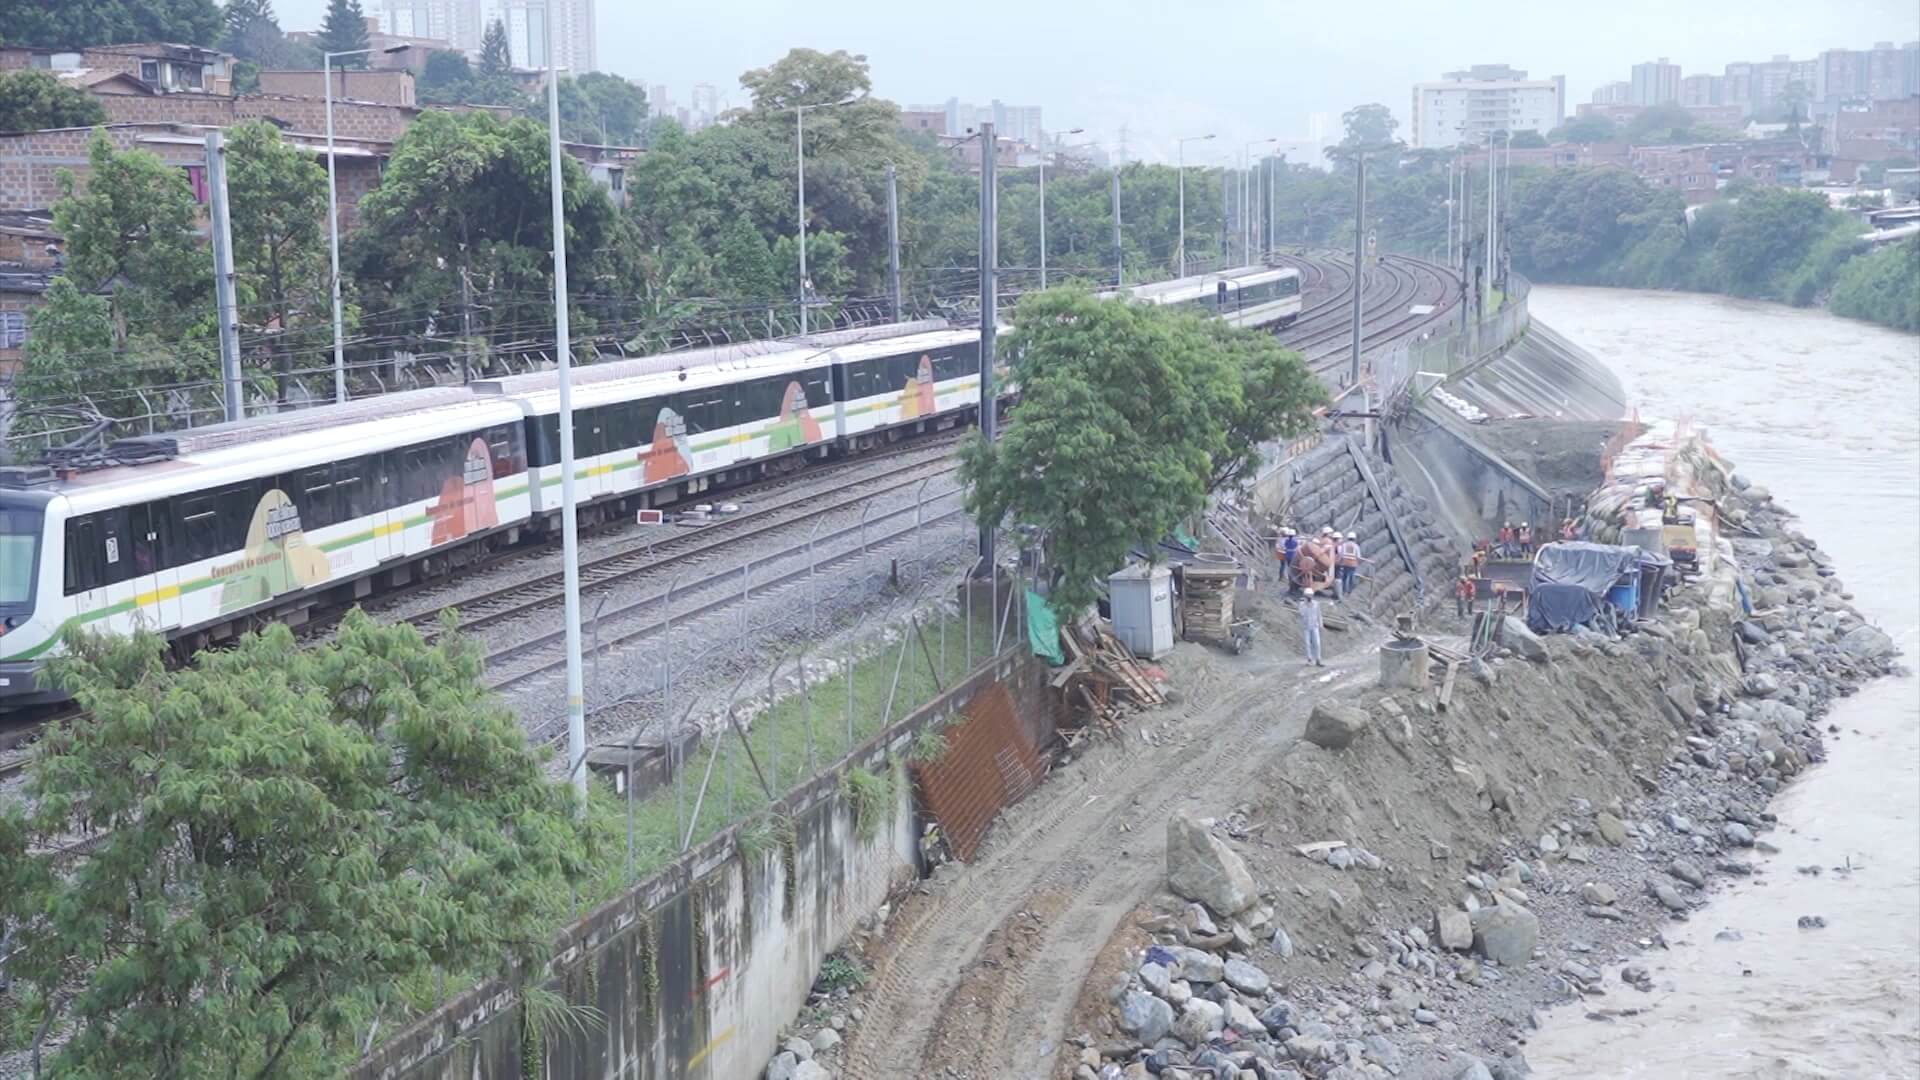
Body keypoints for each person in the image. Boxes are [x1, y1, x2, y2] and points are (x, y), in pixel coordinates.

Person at [1299, 588, 1324, 667]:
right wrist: (1306, 604)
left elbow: (1319, 614)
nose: (1309, 597)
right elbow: (1301, 614)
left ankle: (1318, 659)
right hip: (1306, 626)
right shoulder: (1302, 604)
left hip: (1314, 626)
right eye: (1307, 595)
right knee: (1307, 643)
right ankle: (1309, 659)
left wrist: (1321, 624)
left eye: (1310, 595)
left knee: (1317, 643)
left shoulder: (1316, 604)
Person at [1337, 531, 1363, 597]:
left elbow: (1341, 555)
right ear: (1354, 538)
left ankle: (1343, 590)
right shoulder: (1356, 546)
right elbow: (1358, 557)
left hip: (1345, 563)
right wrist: (1358, 562)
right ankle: (1349, 592)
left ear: (1348, 538)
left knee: (1344, 577)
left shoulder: (1344, 545)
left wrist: (1340, 562)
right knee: (1351, 578)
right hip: (1353, 565)